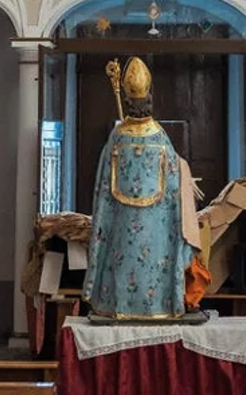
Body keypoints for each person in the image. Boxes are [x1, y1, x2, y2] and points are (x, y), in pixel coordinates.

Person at [83, 56, 204, 319]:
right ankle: (160, 305)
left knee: (122, 259)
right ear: (149, 98)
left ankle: (115, 304)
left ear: (127, 101)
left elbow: (102, 190)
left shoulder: (116, 138)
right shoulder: (161, 138)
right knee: (155, 261)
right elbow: (175, 191)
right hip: (158, 230)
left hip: (121, 226)